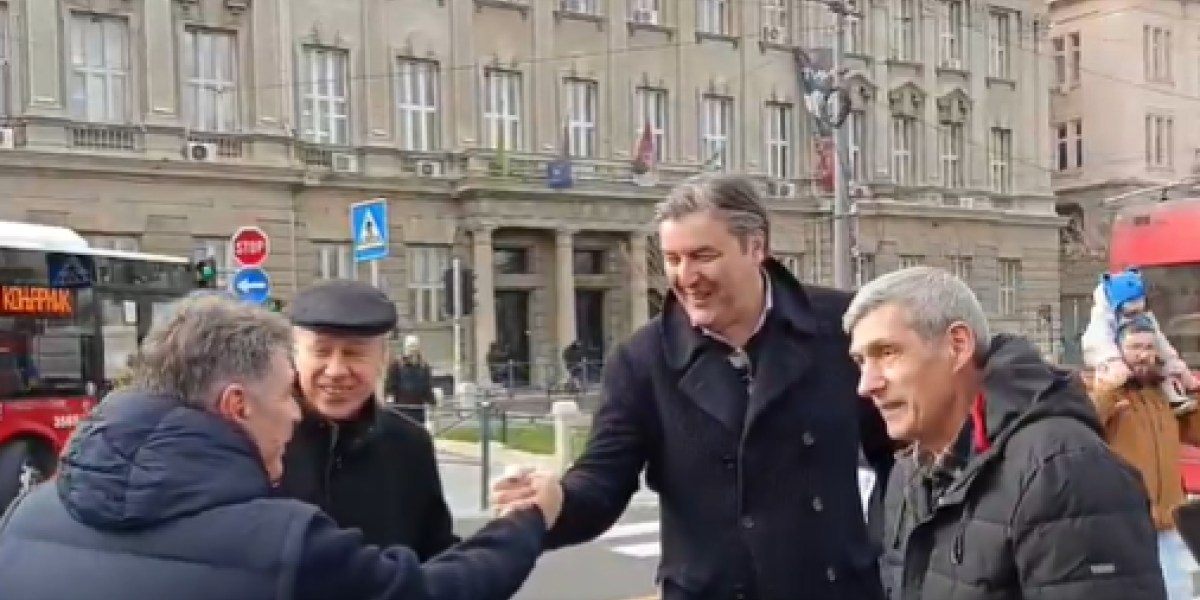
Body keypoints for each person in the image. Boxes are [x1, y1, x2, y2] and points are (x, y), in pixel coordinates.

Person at [0, 293, 561, 600]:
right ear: (237, 404)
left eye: (356, 354)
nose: (296, 409)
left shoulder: (27, 516)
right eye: (286, 389)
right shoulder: (281, 541)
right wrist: (527, 521)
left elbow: (433, 556)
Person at [493, 174, 895, 600]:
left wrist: (890, 559)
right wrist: (554, 503)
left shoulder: (843, 327)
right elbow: (603, 479)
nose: (686, 277)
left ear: (756, 247)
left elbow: (898, 455)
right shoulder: (643, 359)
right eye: (673, 259)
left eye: (703, 256)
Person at [846, 266, 1165, 600]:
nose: (866, 385)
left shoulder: (1064, 469)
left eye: (888, 353)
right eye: (860, 361)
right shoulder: (908, 472)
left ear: (958, 345)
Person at [278, 280, 455, 556]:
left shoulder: (409, 445)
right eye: (321, 351)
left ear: (382, 358)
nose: (336, 370)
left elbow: (435, 555)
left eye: (354, 353)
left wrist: (513, 523)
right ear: (295, 354)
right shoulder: (262, 440)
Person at [1086, 315, 1200, 600]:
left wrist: (1191, 387)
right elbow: (1086, 422)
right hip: (1126, 524)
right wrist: (1109, 389)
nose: (1144, 355)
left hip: (1170, 522)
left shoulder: (1163, 394)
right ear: (1118, 351)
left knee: (1178, 594)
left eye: (1149, 347)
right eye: (1135, 347)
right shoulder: (1102, 389)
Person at [1082, 267, 1197, 413]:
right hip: (1112, 364)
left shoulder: (1145, 317)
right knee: (1111, 379)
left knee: (1166, 371)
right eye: (1130, 313)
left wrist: (1175, 365)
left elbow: (1160, 342)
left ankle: (1174, 397)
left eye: (1138, 312)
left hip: (1137, 366)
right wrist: (1112, 361)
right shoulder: (1102, 321)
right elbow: (1098, 342)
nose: (1135, 317)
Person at [387, 334, 437, 425]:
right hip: (402, 409)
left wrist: (433, 403)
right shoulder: (397, 364)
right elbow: (390, 384)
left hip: (418, 409)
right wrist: (389, 399)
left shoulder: (424, 366)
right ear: (405, 347)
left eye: (414, 346)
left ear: (418, 347)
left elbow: (427, 387)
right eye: (410, 346)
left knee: (417, 430)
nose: (412, 349)